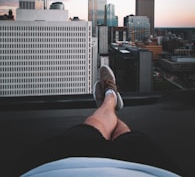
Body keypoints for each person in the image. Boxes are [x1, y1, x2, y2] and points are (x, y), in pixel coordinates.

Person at [18, 65, 182, 177]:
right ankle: (110, 97)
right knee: (128, 137)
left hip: (54, 166)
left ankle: (109, 101)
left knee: (92, 127)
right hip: (148, 169)